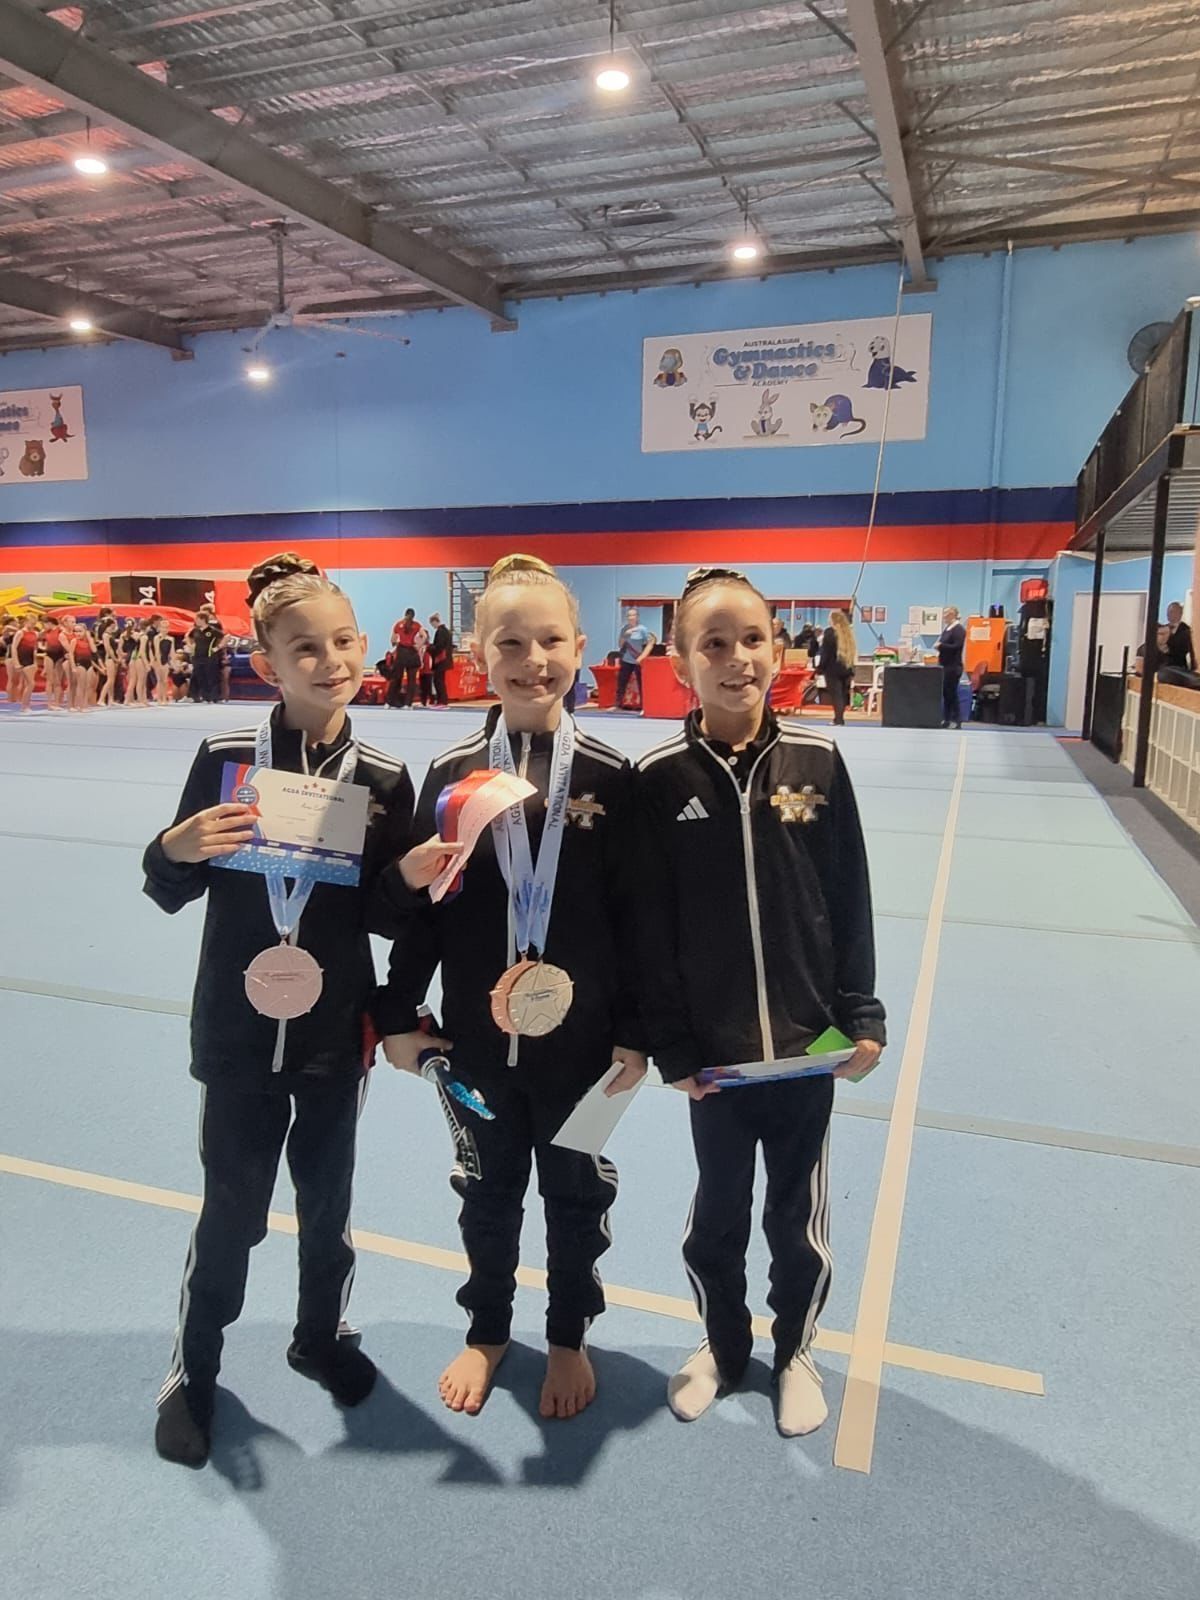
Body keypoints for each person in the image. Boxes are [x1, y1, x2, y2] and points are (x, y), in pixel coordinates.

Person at [142, 551, 416, 1468]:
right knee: (232, 1211)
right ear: (267, 663)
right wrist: (176, 846)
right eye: (304, 648)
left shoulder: (385, 778)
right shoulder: (226, 759)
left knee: (328, 1205)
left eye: (341, 642)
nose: (328, 661)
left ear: (364, 645)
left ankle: (320, 1336)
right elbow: (171, 887)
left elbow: (385, 915)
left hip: (335, 1035)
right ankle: (193, 1370)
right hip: (236, 1028)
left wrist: (413, 880)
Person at [382, 551, 646, 1422]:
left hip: (585, 1049)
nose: (534, 660)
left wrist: (636, 1030)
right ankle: (489, 1329)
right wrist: (397, 1013)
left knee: (578, 1193)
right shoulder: (451, 775)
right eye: (510, 643)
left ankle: (568, 1333)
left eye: (551, 641)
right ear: (478, 655)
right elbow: (425, 911)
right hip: (473, 1044)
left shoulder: (611, 776)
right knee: (486, 1192)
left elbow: (638, 918)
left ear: (582, 647)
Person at [632, 566, 886, 1435]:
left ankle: (796, 1351)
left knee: (796, 1218)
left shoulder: (820, 761)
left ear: (779, 650)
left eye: (752, 639)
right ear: (679, 662)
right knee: (717, 1213)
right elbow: (649, 927)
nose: (737, 657)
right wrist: (671, 1046)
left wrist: (861, 1013)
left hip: (808, 1048)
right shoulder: (659, 778)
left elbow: (849, 895)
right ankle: (722, 1344)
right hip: (716, 1058)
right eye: (714, 644)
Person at [818, 608, 856, 726]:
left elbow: (826, 652)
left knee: (836, 695)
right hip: (846, 667)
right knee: (842, 694)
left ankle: (838, 719)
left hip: (832, 668)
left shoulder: (829, 632)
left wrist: (820, 667)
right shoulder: (848, 633)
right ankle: (840, 718)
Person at [615, 606, 656, 711]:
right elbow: (620, 645)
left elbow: (649, 644)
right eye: (628, 615)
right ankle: (618, 704)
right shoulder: (625, 629)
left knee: (641, 683)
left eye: (633, 615)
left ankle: (644, 706)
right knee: (622, 682)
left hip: (639, 660)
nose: (630, 617)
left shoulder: (642, 629)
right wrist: (625, 635)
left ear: (637, 617)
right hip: (626, 659)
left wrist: (642, 657)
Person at [936, 605, 966, 729]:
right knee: (946, 694)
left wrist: (941, 646)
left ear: (952, 615)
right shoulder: (947, 629)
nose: (944, 616)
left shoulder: (958, 629)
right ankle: (946, 719)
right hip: (945, 665)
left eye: (946, 614)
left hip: (953, 666)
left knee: (952, 693)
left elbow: (957, 646)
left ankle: (957, 720)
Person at [188, 607, 225, 704]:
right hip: (197, 656)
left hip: (209, 656)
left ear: (203, 619)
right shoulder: (195, 630)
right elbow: (188, 636)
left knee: (211, 676)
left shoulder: (212, 630)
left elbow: (225, 637)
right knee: (200, 676)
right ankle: (205, 697)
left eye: (197, 619)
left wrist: (218, 647)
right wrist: (191, 646)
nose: (195, 621)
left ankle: (214, 697)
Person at [388, 608, 422, 707]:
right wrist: (418, 646)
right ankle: (408, 703)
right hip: (412, 652)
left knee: (396, 678)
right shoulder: (417, 625)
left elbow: (393, 639)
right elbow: (424, 636)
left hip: (402, 652)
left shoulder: (398, 624)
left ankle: (390, 702)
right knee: (411, 680)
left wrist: (395, 643)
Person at [42, 616, 70, 711]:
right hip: (49, 655)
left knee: (58, 681)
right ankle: (49, 704)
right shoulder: (46, 632)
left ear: (49, 623)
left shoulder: (60, 630)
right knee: (49, 681)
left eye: (44, 624)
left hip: (59, 656)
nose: (43, 626)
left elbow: (66, 634)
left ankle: (57, 703)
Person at [429, 613, 453, 707]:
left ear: (435, 622)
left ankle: (441, 700)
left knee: (438, 681)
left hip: (441, 660)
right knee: (440, 680)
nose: (433, 626)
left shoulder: (440, 632)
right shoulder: (447, 631)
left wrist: (429, 648)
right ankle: (442, 700)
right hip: (445, 659)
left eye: (432, 624)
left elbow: (439, 646)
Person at [1164, 601, 1195, 674]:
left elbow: (1187, 651)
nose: (1168, 614)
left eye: (1171, 612)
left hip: (1178, 669)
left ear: (1180, 613)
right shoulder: (1163, 629)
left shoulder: (1186, 630)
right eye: (1168, 612)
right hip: (1162, 667)